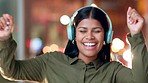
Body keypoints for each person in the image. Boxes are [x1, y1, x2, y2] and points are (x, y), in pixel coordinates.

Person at [0, 5, 147, 83]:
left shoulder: (113, 71)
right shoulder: (50, 62)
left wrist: (136, 35)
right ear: (73, 35)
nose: (89, 37)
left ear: (106, 36)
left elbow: (141, 81)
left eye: (96, 31)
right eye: (83, 31)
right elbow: (11, 71)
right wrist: (5, 39)